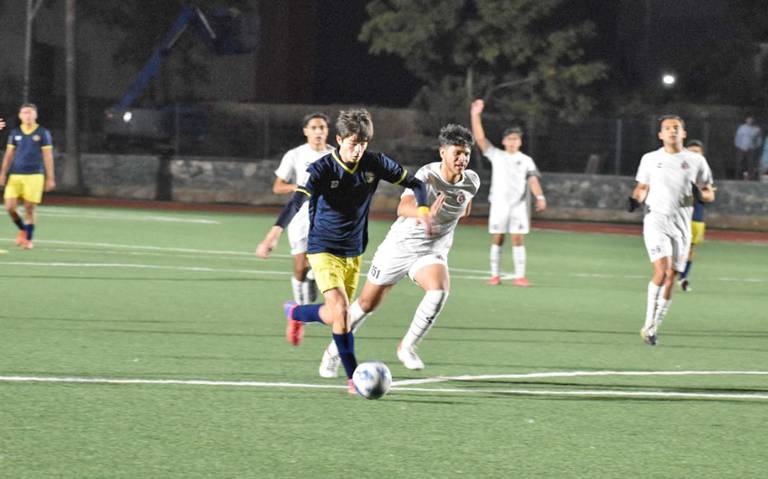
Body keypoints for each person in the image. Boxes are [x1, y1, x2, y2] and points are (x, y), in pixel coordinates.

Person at [256, 108, 432, 393]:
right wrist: (273, 234)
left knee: (338, 315)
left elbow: (416, 183)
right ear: (339, 140)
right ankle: (354, 377)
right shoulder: (323, 169)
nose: (358, 150)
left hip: (354, 251)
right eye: (352, 143)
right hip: (322, 247)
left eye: (363, 144)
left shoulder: (374, 163)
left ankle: (297, 312)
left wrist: (422, 210)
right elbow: (297, 201)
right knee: (340, 310)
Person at [316, 124, 480, 377]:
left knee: (438, 290)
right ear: (443, 152)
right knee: (367, 304)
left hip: (431, 251)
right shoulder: (427, 176)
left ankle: (407, 346)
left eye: (466, 154)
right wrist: (424, 214)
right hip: (400, 247)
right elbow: (402, 208)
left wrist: (445, 223)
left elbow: (464, 207)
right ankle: (332, 352)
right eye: (457, 153)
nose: (462, 159)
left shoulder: (472, 181)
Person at [629, 115, 715, 346]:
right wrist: (635, 199)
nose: (672, 131)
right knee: (662, 270)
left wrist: (701, 196)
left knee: (672, 276)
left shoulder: (695, 161)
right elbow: (642, 187)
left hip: (682, 225)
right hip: (656, 219)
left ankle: (654, 326)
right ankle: (647, 321)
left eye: (676, 128)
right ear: (660, 134)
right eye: (667, 128)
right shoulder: (649, 159)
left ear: (683, 133)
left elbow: (709, 192)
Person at [470, 99, 546, 287]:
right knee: (498, 238)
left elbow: (533, 179)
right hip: (499, 205)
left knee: (518, 239)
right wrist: (475, 115)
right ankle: (495, 276)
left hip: (518, 206)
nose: (513, 141)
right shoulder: (497, 155)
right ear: (504, 141)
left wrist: (540, 196)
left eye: (516, 139)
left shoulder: (526, 160)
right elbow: (480, 139)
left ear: (520, 142)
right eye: (510, 138)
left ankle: (520, 276)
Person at [272, 112, 333, 305]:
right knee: (300, 268)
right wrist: (296, 187)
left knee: (321, 262)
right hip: (301, 216)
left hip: (327, 215)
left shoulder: (335, 155)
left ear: (327, 131)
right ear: (305, 131)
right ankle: (299, 310)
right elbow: (277, 186)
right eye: (314, 128)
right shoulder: (295, 155)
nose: (318, 131)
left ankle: (314, 278)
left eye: (322, 127)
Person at [0, 104, 55, 249]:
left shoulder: (43, 133)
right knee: (10, 207)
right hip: (15, 175)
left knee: (29, 208)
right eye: (24, 113)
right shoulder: (15, 132)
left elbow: (48, 156)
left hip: (35, 175)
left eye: (30, 113)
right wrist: (2, 173)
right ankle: (23, 230)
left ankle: (28, 239)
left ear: (35, 115)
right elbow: (9, 154)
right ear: (20, 116)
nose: (27, 115)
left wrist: (50, 178)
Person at [677, 139, 710, 292]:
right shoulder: (677, 169)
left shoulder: (704, 173)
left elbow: (710, 197)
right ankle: (667, 275)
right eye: (691, 152)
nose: (694, 155)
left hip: (696, 218)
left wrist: (700, 194)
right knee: (672, 247)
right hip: (677, 215)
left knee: (689, 250)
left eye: (697, 152)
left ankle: (683, 278)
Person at [733, 115, 762, 180]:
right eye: (748, 119)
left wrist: (756, 146)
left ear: (753, 120)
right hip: (741, 148)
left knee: (750, 164)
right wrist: (738, 146)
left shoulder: (756, 129)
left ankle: (749, 178)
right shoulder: (741, 128)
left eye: (751, 119)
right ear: (746, 120)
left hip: (751, 149)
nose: (750, 121)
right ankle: (737, 178)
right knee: (739, 163)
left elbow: (759, 139)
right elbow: (737, 137)